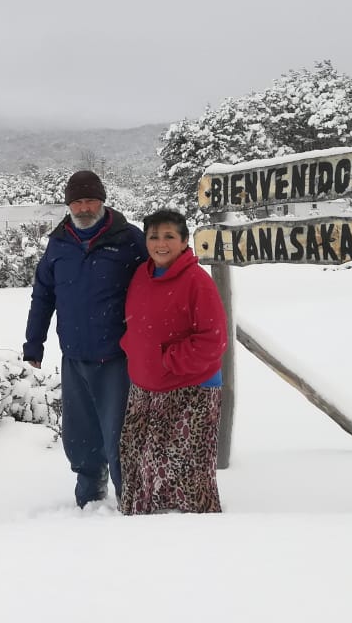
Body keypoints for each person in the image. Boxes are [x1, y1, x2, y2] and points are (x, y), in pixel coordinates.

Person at [23, 170, 147, 508]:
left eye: (90, 199)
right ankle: (90, 493)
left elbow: (156, 284)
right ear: (69, 205)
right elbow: (43, 294)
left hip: (117, 356)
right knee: (80, 435)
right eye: (76, 201)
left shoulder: (129, 239)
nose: (83, 207)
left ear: (103, 200)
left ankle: (130, 497)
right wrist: (34, 342)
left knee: (119, 433)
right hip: (74, 355)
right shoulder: (59, 243)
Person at [118, 208, 228, 515]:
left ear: (183, 241)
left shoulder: (197, 281)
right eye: (153, 236)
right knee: (139, 461)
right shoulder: (142, 274)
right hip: (145, 387)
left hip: (190, 389)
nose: (160, 243)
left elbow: (213, 340)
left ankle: (191, 536)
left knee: (181, 471)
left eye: (169, 236)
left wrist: (167, 360)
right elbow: (136, 321)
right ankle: (145, 526)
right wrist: (135, 350)